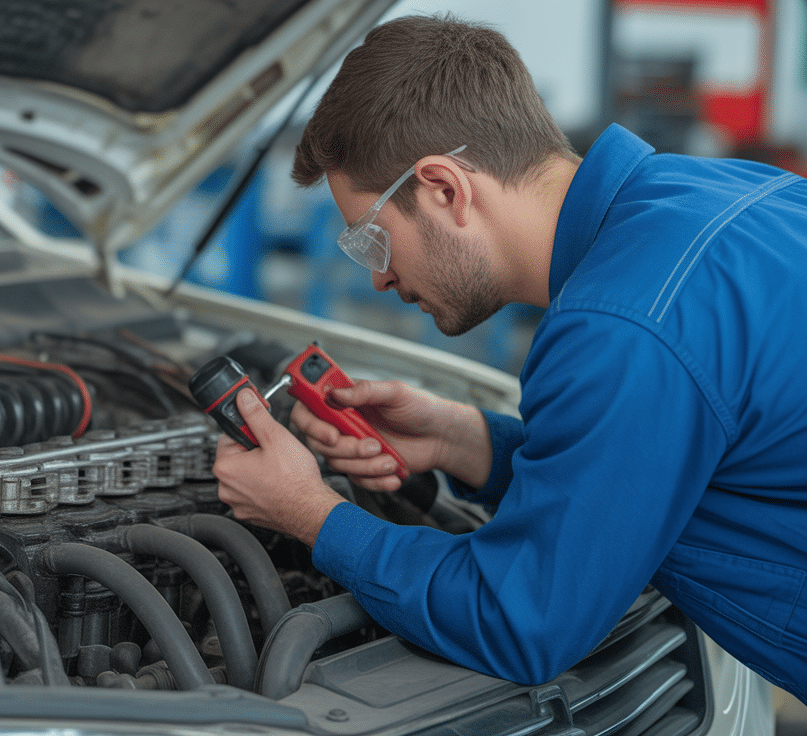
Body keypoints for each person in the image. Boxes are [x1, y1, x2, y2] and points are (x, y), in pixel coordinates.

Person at [212, 13, 807, 700]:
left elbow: (520, 622)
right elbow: (659, 467)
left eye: (371, 238)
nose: (378, 276)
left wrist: (311, 514)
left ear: (445, 188)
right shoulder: (723, 193)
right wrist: (465, 440)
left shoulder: (620, 326)